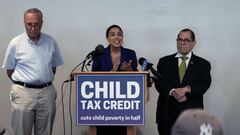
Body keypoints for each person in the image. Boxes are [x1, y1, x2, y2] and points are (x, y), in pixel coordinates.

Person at [2, 8, 63, 135]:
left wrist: (41, 79)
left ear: (42, 22)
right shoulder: (15, 43)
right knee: (21, 132)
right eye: (29, 24)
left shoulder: (50, 41)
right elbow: (9, 70)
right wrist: (26, 82)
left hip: (46, 92)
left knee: (45, 131)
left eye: (36, 24)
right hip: (23, 93)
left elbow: (53, 67)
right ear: (24, 22)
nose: (33, 28)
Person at [154, 28, 211, 135]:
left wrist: (186, 90)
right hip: (166, 116)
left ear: (194, 43)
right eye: (179, 40)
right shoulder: (164, 61)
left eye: (186, 40)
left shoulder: (203, 64)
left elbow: (204, 83)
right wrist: (173, 92)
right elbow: (159, 83)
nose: (182, 43)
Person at [92, 24, 138, 135]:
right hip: (102, 103)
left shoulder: (130, 54)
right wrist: (109, 74)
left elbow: (137, 79)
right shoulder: (99, 54)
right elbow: (93, 77)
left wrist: (130, 70)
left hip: (124, 103)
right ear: (107, 38)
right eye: (112, 34)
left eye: (119, 34)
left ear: (123, 37)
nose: (116, 37)